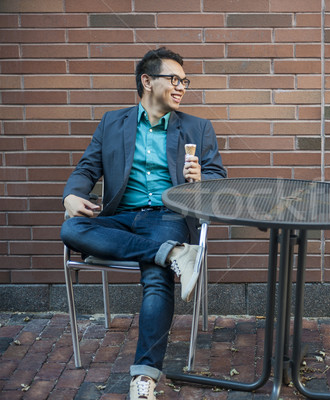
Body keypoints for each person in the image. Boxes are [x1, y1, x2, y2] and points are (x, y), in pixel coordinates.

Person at [60, 47, 227, 400]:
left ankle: (145, 376)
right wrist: (71, 195)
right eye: (174, 79)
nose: (181, 87)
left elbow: (218, 177)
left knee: (155, 277)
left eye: (185, 81)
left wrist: (200, 180)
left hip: (169, 216)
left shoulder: (197, 127)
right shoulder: (112, 122)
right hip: (120, 216)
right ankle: (173, 254)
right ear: (147, 81)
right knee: (72, 228)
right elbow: (87, 168)